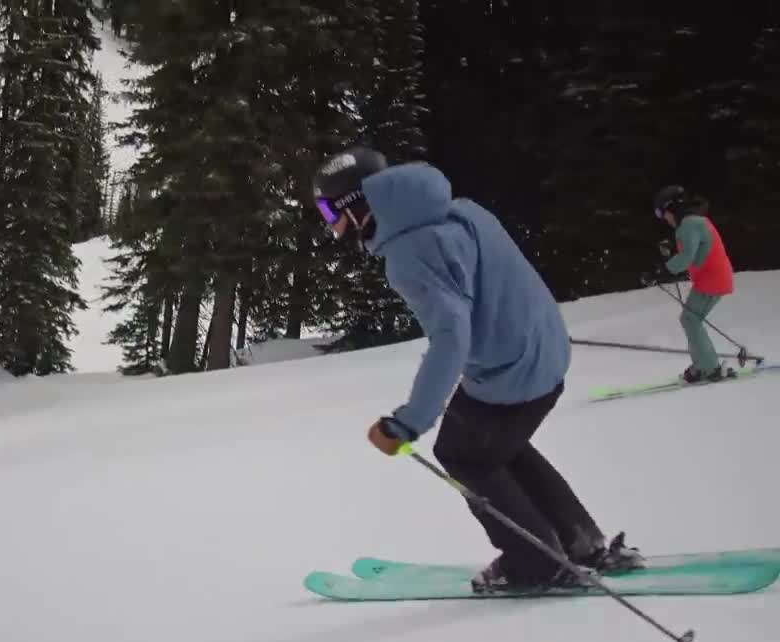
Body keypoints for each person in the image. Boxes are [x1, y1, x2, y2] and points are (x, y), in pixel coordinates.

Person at [310, 146, 643, 593]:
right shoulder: (460, 211)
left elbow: (451, 339)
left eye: (329, 209)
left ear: (358, 203)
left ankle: (536, 563)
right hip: (543, 353)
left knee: (462, 453)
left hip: (510, 371)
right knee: (496, 446)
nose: (330, 223)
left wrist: (407, 423)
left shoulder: (410, 252)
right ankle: (580, 543)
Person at [653, 185, 736, 383]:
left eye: (663, 213)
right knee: (690, 319)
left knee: (690, 319)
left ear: (672, 208)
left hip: (712, 279)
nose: (664, 218)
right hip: (712, 277)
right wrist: (672, 251)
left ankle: (710, 368)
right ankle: (702, 365)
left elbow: (688, 256)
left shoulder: (690, 223)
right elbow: (695, 249)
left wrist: (662, 270)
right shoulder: (693, 221)